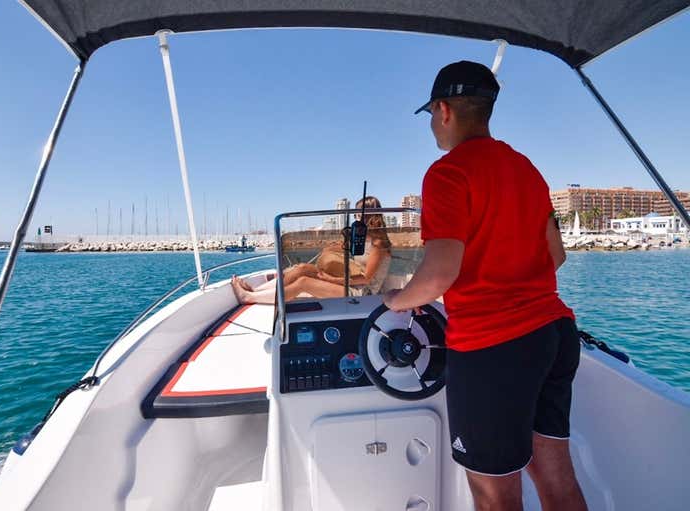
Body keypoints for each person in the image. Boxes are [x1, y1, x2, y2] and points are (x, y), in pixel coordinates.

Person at [383, 61, 587, 511]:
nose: (432, 126)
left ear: (443, 110)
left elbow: (438, 276)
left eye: (431, 115)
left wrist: (398, 299)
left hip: (494, 348)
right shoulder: (526, 169)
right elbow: (556, 256)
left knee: (495, 496)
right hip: (554, 335)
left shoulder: (448, 173)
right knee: (556, 476)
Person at [232, 197, 391, 304]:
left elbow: (365, 279)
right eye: (356, 214)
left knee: (303, 283)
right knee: (303, 269)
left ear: (369, 216)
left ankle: (249, 297)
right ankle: (256, 291)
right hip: (352, 282)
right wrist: (332, 247)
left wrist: (332, 279)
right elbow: (348, 253)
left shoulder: (379, 244)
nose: (356, 218)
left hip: (363, 293)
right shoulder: (364, 239)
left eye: (358, 214)